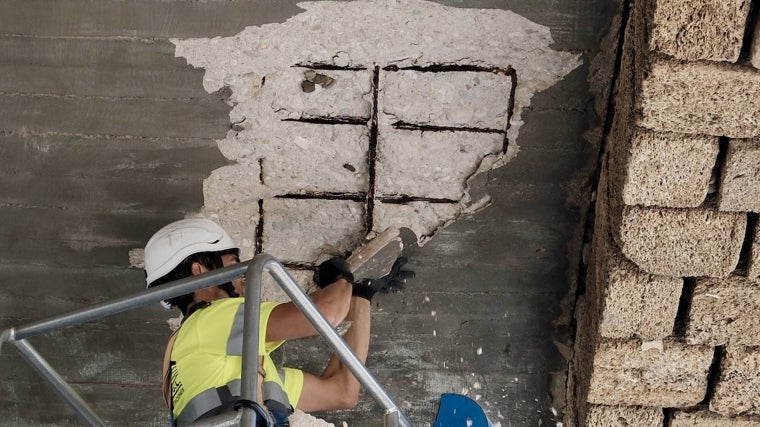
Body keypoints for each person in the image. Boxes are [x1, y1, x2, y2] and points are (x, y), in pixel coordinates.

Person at [143, 218, 413, 426]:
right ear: (199, 271)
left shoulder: (239, 374)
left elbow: (342, 392)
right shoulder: (209, 319)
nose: (245, 277)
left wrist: (361, 296)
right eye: (235, 264)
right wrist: (341, 278)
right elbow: (326, 314)